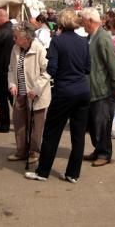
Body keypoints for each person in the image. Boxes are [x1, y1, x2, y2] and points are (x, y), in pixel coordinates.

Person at [25, 9, 90, 183]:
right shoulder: (84, 42)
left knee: (52, 133)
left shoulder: (57, 41)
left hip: (65, 91)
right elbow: (87, 68)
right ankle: (72, 174)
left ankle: (43, 171)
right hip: (83, 90)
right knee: (78, 135)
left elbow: (51, 68)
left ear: (61, 23)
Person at [81, 7, 115, 167]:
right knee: (93, 124)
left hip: (102, 90)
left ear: (91, 21)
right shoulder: (91, 37)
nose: (82, 24)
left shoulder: (103, 38)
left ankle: (104, 153)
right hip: (92, 88)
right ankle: (98, 150)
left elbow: (113, 64)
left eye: (83, 21)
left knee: (101, 124)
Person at [7, 22, 51, 164]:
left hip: (36, 94)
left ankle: (34, 152)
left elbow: (47, 72)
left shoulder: (39, 49)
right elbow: (11, 69)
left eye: (16, 37)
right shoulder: (15, 49)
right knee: (19, 122)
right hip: (20, 92)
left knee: (36, 125)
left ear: (26, 38)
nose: (14, 39)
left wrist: (36, 89)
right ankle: (21, 151)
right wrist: (12, 84)